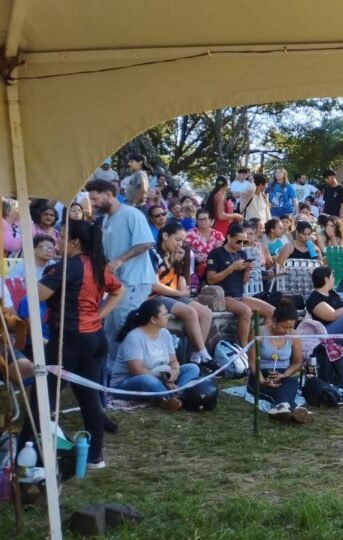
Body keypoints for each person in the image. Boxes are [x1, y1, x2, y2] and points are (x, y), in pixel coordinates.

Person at [29, 219, 124, 469]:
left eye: (61, 237)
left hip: (70, 341)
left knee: (40, 396)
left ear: (74, 242)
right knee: (88, 396)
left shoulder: (67, 267)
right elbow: (117, 290)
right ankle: (95, 456)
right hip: (94, 339)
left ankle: (29, 456)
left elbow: (36, 295)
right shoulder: (96, 264)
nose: (56, 241)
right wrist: (99, 316)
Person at [87, 179, 159, 368]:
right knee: (111, 328)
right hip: (117, 284)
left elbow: (146, 243)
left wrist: (121, 259)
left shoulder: (131, 213)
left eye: (95, 199)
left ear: (109, 195)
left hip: (135, 281)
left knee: (125, 325)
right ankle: (114, 372)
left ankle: (135, 369)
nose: (92, 204)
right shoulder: (106, 220)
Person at [111, 298, 201, 410]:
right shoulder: (134, 337)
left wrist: (175, 372)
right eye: (164, 314)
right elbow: (136, 370)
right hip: (128, 383)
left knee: (192, 368)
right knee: (147, 380)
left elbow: (173, 361)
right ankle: (173, 396)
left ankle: (171, 396)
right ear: (153, 319)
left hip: (161, 377)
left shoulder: (165, 333)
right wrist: (164, 381)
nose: (167, 317)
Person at [151, 222, 214, 364]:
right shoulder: (153, 254)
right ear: (165, 236)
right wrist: (179, 293)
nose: (180, 244)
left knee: (206, 313)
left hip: (172, 294)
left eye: (182, 241)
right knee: (190, 312)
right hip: (154, 297)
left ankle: (196, 357)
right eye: (177, 240)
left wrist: (182, 289)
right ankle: (204, 354)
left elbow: (180, 278)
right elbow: (154, 286)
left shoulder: (172, 255)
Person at [206, 224, 276, 347]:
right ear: (229, 237)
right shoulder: (216, 253)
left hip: (239, 294)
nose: (242, 245)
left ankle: (256, 345)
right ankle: (243, 348)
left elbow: (243, 282)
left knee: (271, 311)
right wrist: (231, 268)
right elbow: (211, 279)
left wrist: (247, 270)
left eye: (244, 241)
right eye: (239, 241)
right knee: (246, 311)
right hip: (222, 295)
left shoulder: (242, 254)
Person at [249, 301, 314, 423]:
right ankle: (293, 408)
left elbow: (297, 362)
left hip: (282, 374)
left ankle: (281, 408)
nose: (287, 331)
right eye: (284, 327)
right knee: (276, 389)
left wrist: (284, 375)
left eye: (291, 327)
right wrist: (262, 380)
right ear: (274, 321)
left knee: (291, 382)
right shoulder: (260, 332)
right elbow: (252, 361)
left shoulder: (293, 336)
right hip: (261, 374)